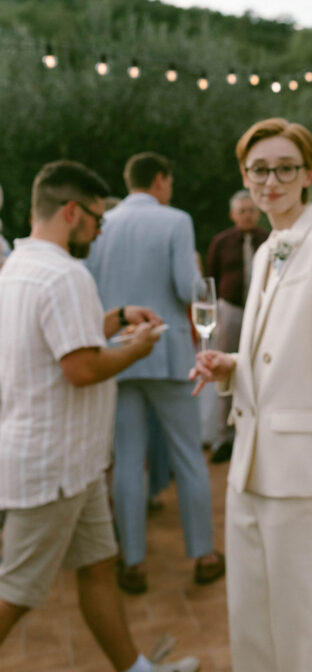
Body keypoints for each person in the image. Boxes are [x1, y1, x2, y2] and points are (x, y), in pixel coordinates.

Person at [0, 160, 198, 672]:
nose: (100, 228)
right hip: (52, 467)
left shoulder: (21, 266)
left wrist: (122, 315)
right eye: (96, 218)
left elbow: (71, 338)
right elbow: (82, 366)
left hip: (75, 465)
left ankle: (136, 669)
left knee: (98, 568)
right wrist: (141, 347)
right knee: (17, 593)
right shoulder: (66, 274)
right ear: (72, 212)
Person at [190, 118, 312, 672]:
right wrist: (229, 366)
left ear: (308, 173)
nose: (271, 180)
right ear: (245, 175)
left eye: (285, 168)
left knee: (303, 630)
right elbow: (281, 356)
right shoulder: (267, 248)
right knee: (252, 624)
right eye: (259, 169)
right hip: (248, 467)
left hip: (302, 471)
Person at [86, 151, 223, 595]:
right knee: (187, 456)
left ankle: (133, 563)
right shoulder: (175, 221)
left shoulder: (103, 222)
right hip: (166, 354)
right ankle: (203, 555)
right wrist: (197, 270)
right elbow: (190, 289)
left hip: (118, 354)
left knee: (127, 460)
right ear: (160, 181)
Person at [205, 189, 268, 462]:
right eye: (242, 211)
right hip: (231, 311)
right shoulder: (221, 242)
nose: (247, 215)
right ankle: (224, 437)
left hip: (262, 311)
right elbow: (212, 276)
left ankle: (259, 436)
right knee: (225, 371)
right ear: (233, 215)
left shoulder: (268, 240)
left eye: (251, 210)